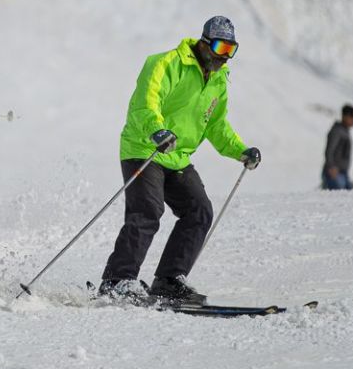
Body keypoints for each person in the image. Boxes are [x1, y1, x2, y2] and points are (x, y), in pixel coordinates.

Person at [99, 16, 261, 305]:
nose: (224, 57)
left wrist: (241, 150)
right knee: (149, 209)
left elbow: (216, 126)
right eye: (220, 47)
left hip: (177, 156)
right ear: (204, 42)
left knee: (200, 210)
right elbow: (144, 104)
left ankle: (168, 280)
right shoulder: (165, 63)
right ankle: (117, 280)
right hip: (144, 147)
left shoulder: (218, 81)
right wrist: (156, 131)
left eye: (230, 50)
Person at [321, 104, 353, 190]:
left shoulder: (345, 131)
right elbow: (329, 150)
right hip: (334, 174)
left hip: (342, 173)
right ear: (346, 116)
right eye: (352, 117)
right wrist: (331, 167)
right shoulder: (337, 131)